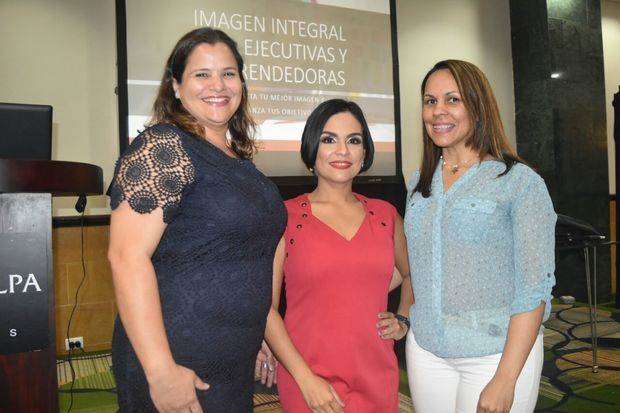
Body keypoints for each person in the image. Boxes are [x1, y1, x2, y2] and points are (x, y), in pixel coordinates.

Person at [107, 27, 286, 412]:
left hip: (234, 362)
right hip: (177, 361)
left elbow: (254, 256)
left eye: (228, 73)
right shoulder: (162, 146)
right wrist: (160, 372)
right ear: (175, 85)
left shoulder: (240, 161)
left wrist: (262, 335)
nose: (217, 85)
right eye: (201, 74)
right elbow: (126, 257)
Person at [404, 59, 556, 413]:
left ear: (477, 106)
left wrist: (506, 379)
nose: (438, 111)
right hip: (426, 351)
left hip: (495, 354)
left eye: (452, 100)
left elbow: (534, 288)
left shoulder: (519, 182)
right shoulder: (418, 185)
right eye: (430, 101)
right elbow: (416, 263)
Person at [264, 99, 414, 413]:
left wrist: (403, 317)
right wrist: (305, 379)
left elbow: (412, 272)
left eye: (353, 141)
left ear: (365, 152)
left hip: (376, 376)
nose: (342, 150)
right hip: (309, 380)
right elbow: (266, 309)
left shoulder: (386, 216)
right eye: (329, 139)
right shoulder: (285, 217)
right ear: (311, 149)